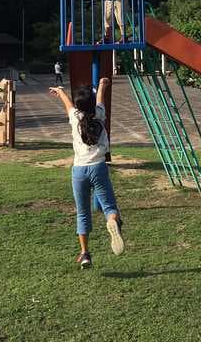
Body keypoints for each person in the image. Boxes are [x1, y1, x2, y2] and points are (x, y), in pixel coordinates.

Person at [49, 77, 124, 269]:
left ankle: (84, 254)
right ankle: (112, 222)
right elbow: (100, 98)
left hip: (79, 171)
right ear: (91, 103)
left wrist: (60, 91)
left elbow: (67, 104)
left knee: (82, 213)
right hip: (99, 167)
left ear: (78, 105)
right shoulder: (99, 114)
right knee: (109, 207)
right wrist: (102, 85)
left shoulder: (75, 117)